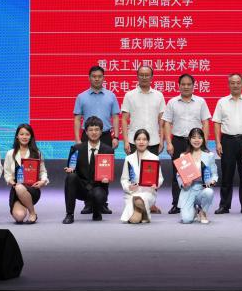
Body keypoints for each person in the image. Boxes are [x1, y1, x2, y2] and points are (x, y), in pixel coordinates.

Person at [72, 65, 120, 214]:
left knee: (105, 169)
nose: (97, 79)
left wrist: (116, 136)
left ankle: (102, 202)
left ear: (103, 78)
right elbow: (77, 119)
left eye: (99, 76)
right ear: (89, 78)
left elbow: (116, 117)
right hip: (87, 136)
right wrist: (77, 139)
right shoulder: (81, 96)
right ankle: (88, 203)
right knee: (85, 170)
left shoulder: (111, 95)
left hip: (105, 136)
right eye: (94, 76)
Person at [163, 73, 211, 214]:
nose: (186, 87)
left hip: (196, 143)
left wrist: (204, 142)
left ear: (193, 86)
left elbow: (205, 122)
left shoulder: (201, 102)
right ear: (178, 86)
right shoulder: (172, 102)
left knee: (198, 172)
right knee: (177, 174)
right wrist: (169, 143)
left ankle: (197, 203)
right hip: (178, 141)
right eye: (183, 84)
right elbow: (167, 123)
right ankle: (177, 204)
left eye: (189, 84)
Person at [121, 65, 167, 214]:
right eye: (141, 74)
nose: (144, 77)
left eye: (147, 75)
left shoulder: (159, 95)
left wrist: (162, 139)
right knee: (134, 172)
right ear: (137, 76)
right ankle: (133, 199)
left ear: (152, 77)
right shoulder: (130, 95)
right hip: (134, 140)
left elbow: (162, 120)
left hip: (153, 140)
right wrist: (125, 140)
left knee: (151, 173)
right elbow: (124, 119)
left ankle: (151, 202)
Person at [212, 73, 242, 215]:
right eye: (232, 83)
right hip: (228, 141)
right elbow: (217, 123)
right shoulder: (222, 102)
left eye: (238, 82)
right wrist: (218, 142)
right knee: (227, 174)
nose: (235, 85)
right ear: (228, 84)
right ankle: (224, 205)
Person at [63, 116, 116, 224]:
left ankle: (97, 211)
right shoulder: (76, 149)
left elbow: (109, 172)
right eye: (90, 130)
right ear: (86, 132)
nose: (94, 132)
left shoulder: (108, 150)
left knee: (98, 194)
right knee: (71, 177)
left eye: (97, 130)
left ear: (101, 132)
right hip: (81, 189)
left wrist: (108, 178)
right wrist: (70, 170)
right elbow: (71, 168)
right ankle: (69, 214)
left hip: (98, 187)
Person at [3, 123, 49, 224]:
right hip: (16, 189)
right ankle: (24, 203)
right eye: (21, 134)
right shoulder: (10, 153)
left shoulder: (37, 153)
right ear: (17, 136)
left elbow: (43, 171)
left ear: (31, 136)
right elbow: (7, 173)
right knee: (19, 217)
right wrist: (11, 182)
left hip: (32, 189)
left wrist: (43, 181)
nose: (24, 137)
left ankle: (32, 213)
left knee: (20, 187)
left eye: (27, 134)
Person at [119, 129, 164, 223]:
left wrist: (156, 184)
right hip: (132, 193)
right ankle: (144, 214)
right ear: (134, 141)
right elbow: (124, 179)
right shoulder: (128, 158)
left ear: (148, 142)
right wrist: (129, 187)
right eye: (138, 139)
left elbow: (160, 178)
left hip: (148, 192)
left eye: (144, 139)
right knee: (134, 219)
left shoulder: (154, 158)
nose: (141, 142)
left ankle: (141, 210)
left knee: (139, 202)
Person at [176, 127, 219, 224]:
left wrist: (212, 182)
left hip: (202, 188)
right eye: (194, 137)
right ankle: (195, 210)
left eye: (199, 137)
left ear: (203, 139)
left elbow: (214, 174)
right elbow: (178, 175)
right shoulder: (183, 156)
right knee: (186, 220)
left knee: (209, 192)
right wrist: (184, 183)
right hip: (188, 189)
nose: (196, 140)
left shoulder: (209, 155)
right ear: (189, 139)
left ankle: (203, 212)